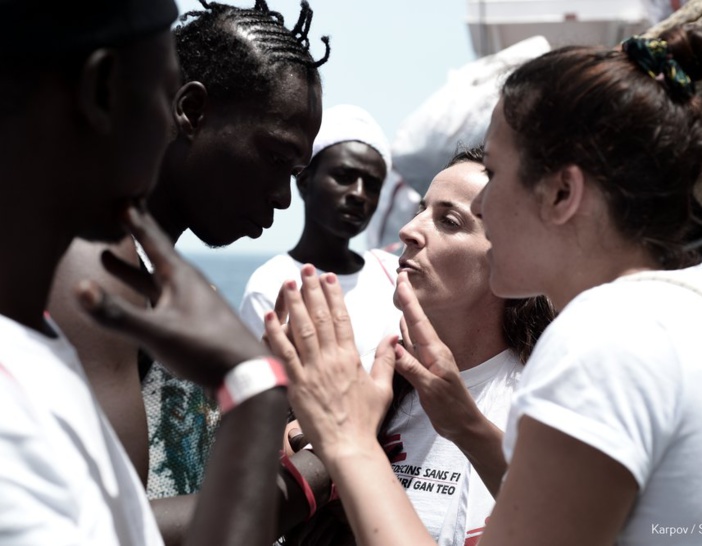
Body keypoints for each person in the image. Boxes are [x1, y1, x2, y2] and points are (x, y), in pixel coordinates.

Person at [264, 26, 702, 545]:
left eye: (496, 175)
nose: (481, 203)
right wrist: (470, 428)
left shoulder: (600, 348)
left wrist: (348, 439)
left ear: (561, 194)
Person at [0, 1, 290, 544]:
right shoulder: (14, 418)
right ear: (104, 91)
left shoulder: (40, 348)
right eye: (163, 93)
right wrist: (255, 394)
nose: (170, 124)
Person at [47, 0, 327, 506]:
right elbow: (111, 524)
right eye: (275, 157)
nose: (283, 198)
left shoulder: (167, 284)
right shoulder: (99, 266)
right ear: (192, 112)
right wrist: (325, 466)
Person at [282, 147, 553, 546]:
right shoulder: (374, 380)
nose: (409, 230)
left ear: (512, 261)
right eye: (421, 209)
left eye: (449, 221)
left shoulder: (544, 400)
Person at [240, 103, 401, 363]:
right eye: (344, 176)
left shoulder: (394, 274)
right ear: (304, 182)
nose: (359, 194)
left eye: (372, 185)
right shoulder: (273, 284)